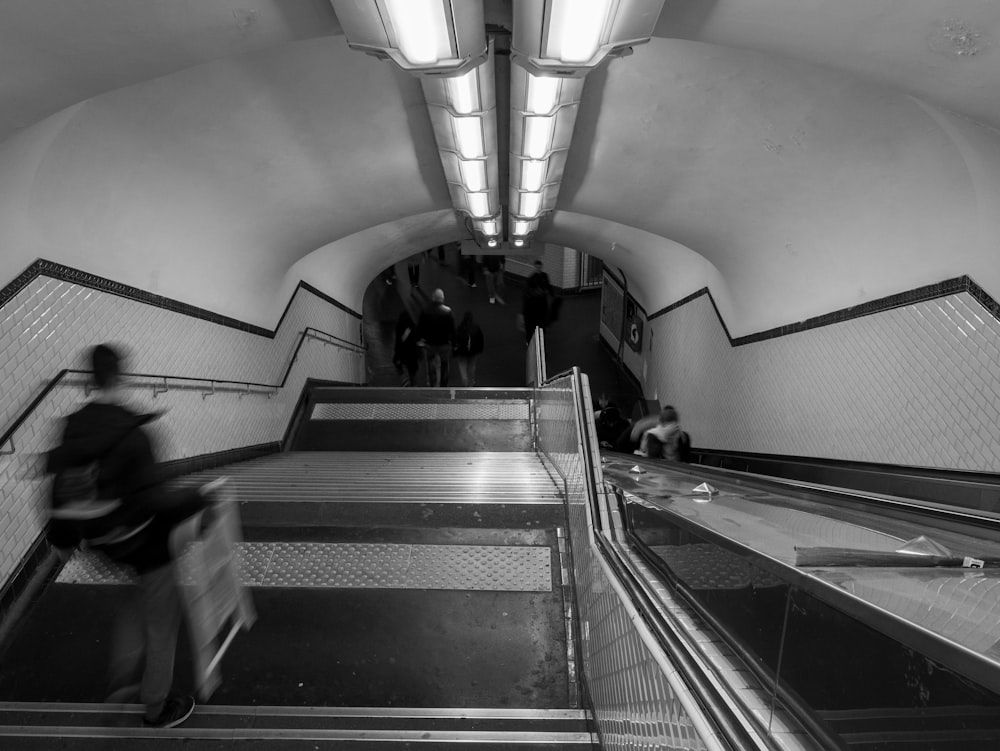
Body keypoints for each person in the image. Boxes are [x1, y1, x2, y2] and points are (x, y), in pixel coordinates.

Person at [44, 344, 216, 729]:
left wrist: (63, 542)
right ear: (122, 376)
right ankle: (156, 707)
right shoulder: (133, 433)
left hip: (103, 543)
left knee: (137, 603)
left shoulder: (73, 427)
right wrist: (198, 501)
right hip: (143, 544)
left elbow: (59, 491)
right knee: (160, 617)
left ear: (90, 380)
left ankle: (122, 680)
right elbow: (154, 501)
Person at [417, 289, 455, 386]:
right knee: (445, 364)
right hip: (444, 343)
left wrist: (420, 339)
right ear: (442, 298)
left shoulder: (425, 310)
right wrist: (454, 343)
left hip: (430, 343)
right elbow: (452, 329)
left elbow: (420, 327)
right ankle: (443, 384)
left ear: (433, 298)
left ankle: (433, 384)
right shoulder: (447, 311)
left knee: (430, 363)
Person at [522, 260, 553, 344]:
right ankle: (530, 339)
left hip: (541, 304)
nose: (538, 269)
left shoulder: (543, 276)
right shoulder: (531, 279)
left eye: (539, 267)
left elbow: (548, 286)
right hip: (535, 305)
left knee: (540, 322)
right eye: (537, 267)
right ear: (535, 267)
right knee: (533, 323)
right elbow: (527, 293)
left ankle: (537, 337)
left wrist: (551, 293)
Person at [453, 311, 485, 386]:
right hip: (474, 351)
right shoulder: (476, 327)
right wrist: (480, 349)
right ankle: (471, 382)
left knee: (462, 366)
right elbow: (480, 339)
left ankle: (464, 380)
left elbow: (456, 339)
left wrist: (455, 351)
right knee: (472, 367)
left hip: (462, 352)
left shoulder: (460, 327)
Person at [392, 310, 420, 386]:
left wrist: (397, 354)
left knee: (403, 372)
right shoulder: (413, 326)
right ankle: (414, 388)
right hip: (412, 355)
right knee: (413, 374)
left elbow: (398, 343)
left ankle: (405, 384)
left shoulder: (399, 328)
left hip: (402, 354)